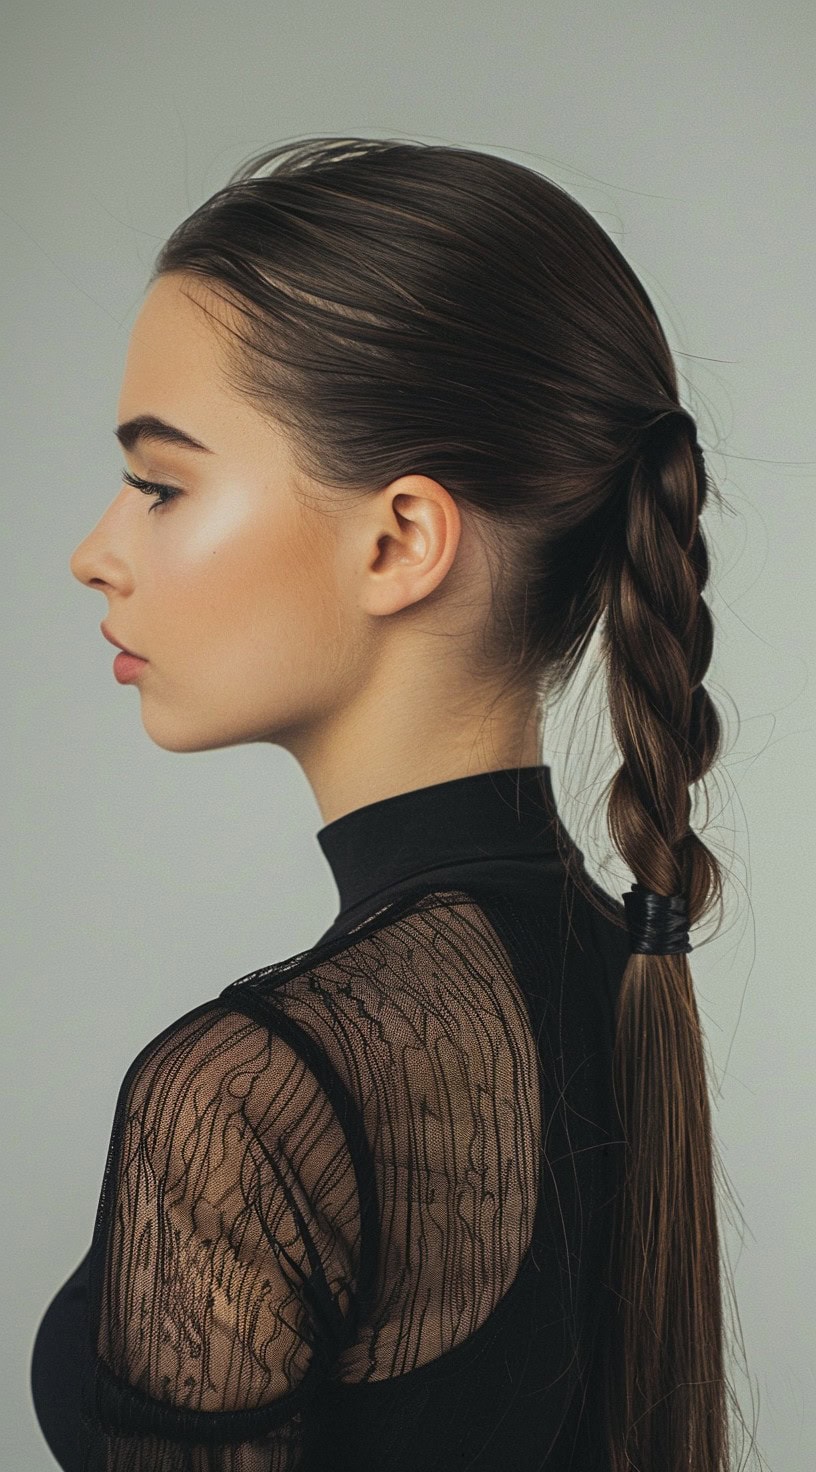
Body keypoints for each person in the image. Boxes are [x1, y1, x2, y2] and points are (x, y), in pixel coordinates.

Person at [31, 135, 752, 1472]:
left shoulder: (251, 1096)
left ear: (400, 539)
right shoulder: (624, 970)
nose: (95, 553)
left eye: (161, 483)